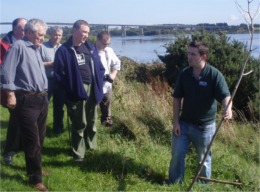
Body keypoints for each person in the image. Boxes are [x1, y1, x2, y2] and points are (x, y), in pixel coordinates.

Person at [167, 40, 233, 184]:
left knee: (204, 159)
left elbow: (225, 96)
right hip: (184, 124)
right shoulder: (184, 74)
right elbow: (177, 98)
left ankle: (203, 185)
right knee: (177, 153)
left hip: (205, 128)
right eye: (188, 53)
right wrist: (176, 122)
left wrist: (228, 108)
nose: (189, 57)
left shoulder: (214, 75)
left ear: (203, 57)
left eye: (193, 54)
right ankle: (174, 182)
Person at [1, 18, 49, 191]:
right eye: (39, 35)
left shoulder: (36, 49)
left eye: (43, 35)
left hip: (41, 98)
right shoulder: (18, 47)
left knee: (40, 138)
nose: (42, 38)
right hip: (26, 100)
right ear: (29, 32)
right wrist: (10, 94)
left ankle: (36, 167)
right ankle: (35, 178)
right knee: (32, 139)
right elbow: (6, 72)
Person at [54, 20, 105, 162]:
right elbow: (59, 75)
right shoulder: (64, 50)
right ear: (74, 31)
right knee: (79, 122)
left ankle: (92, 147)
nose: (86, 35)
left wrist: (99, 83)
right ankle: (79, 153)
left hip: (92, 88)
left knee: (92, 120)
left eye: (88, 32)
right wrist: (69, 89)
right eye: (84, 32)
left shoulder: (90, 47)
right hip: (76, 91)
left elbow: (99, 67)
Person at [0, 18, 27, 165]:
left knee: (25, 117)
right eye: (24, 28)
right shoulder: (3, 44)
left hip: (26, 87)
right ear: (15, 29)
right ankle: (9, 151)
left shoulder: (29, 43)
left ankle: (21, 145)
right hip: (11, 88)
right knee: (15, 118)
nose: (26, 31)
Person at [41, 26, 65, 135]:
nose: (57, 37)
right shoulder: (42, 47)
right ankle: (40, 128)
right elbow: (37, 64)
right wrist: (51, 64)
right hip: (47, 80)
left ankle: (58, 128)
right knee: (43, 105)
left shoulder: (63, 48)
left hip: (60, 81)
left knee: (59, 106)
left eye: (59, 35)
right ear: (50, 34)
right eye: (55, 34)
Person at [95, 31, 121, 126]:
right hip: (94, 85)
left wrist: (113, 75)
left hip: (107, 85)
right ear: (97, 40)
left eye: (108, 44)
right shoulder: (90, 51)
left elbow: (117, 63)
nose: (106, 46)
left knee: (106, 107)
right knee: (92, 109)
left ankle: (107, 125)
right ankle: (92, 127)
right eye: (104, 43)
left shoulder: (109, 51)